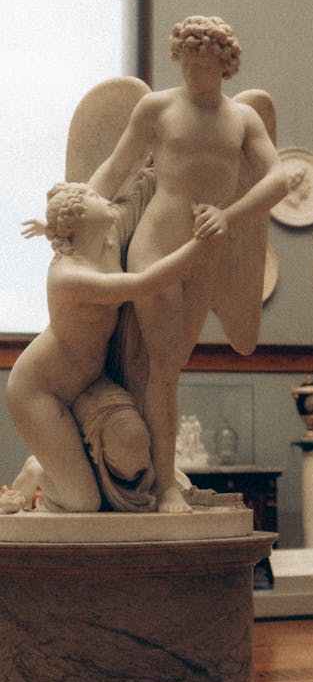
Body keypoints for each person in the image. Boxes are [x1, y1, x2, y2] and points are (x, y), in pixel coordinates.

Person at [87, 16, 288, 512]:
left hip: (206, 252)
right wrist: (73, 207)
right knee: (165, 369)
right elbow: (115, 168)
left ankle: (162, 472)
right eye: (188, 65)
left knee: (172, 365)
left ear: (226, 66)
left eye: (206, 67)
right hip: (156, 244)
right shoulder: (158, 107)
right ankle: (166, 487)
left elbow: (280, 179)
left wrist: (229, 214)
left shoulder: (242, 120)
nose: (196, 75)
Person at [6, 181, 217, 514]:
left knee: (132, 448)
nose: (100, 194)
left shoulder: (105, 242)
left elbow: (120, 169)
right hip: (39, 390)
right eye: (90, 196)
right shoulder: (68, 276)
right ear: (78, 221)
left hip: (89, 381)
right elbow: (144, 284)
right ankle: (38, 470)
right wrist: (200, 244)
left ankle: (66, 467)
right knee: (83, 502)